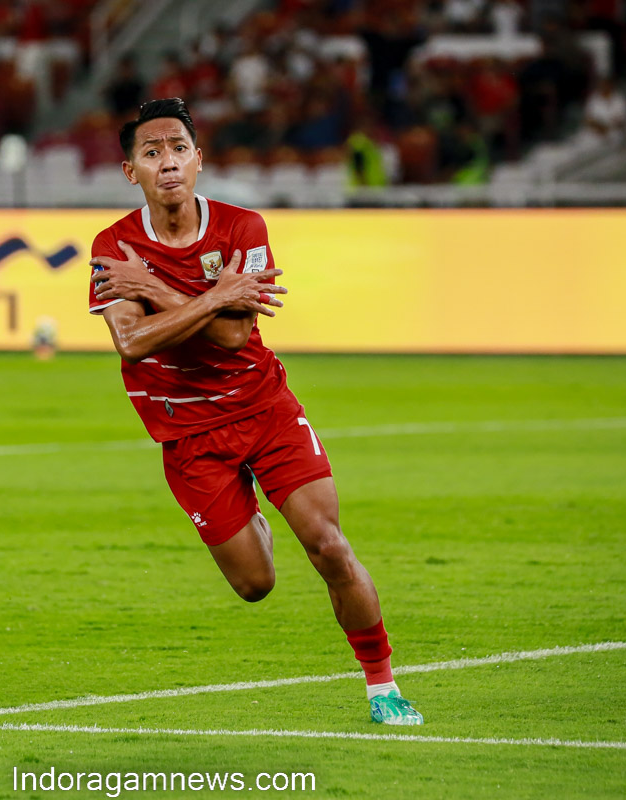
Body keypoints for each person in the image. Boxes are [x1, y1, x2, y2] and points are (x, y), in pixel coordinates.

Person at [86, 98, 423, 726]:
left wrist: (156, 290)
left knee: (327, 546)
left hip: (264, 408)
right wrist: (216, 295)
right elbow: (132, 342)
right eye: (151, 153)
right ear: (131, 171)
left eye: (178, 149)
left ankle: (382, 686)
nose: (168, 164)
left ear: (199, 159)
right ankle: (252, 521)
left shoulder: (243, 227)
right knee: (254, 585)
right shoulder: (113, 245)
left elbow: (234, 336)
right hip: (187, 434)